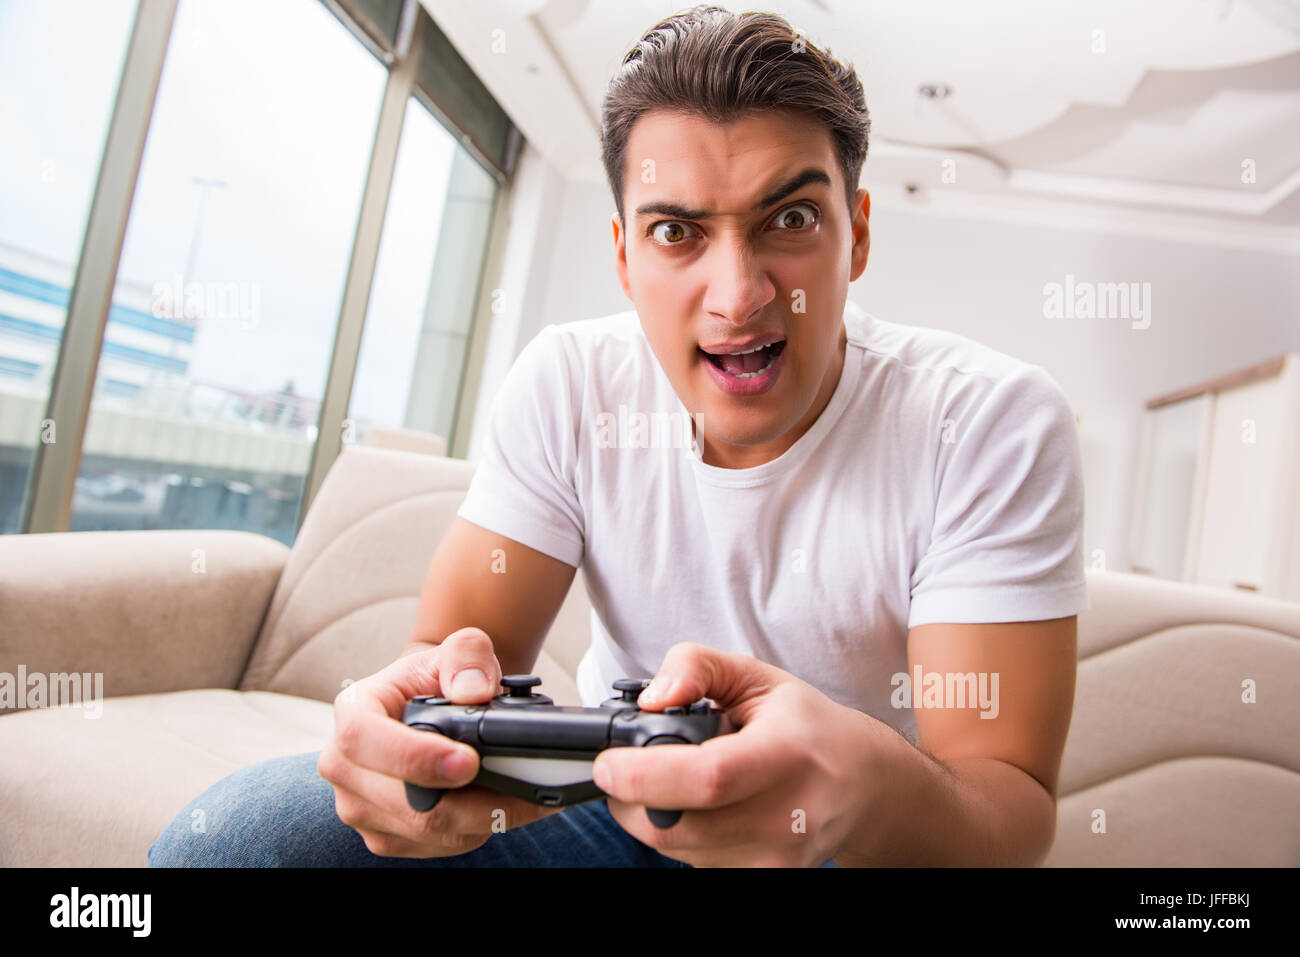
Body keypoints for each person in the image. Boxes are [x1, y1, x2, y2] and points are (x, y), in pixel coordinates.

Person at [149, 4, 1086, 868]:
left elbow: (1004, 815)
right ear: (626, 257)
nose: (739, 295)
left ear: (859, 235)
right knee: (238, 844)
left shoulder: (988, 419)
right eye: (678, 231)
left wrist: (865, 777)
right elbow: (449, 659)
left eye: (791, 218)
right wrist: (409, 738)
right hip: (618, 808)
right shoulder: (569, 383)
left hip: (856, 842)